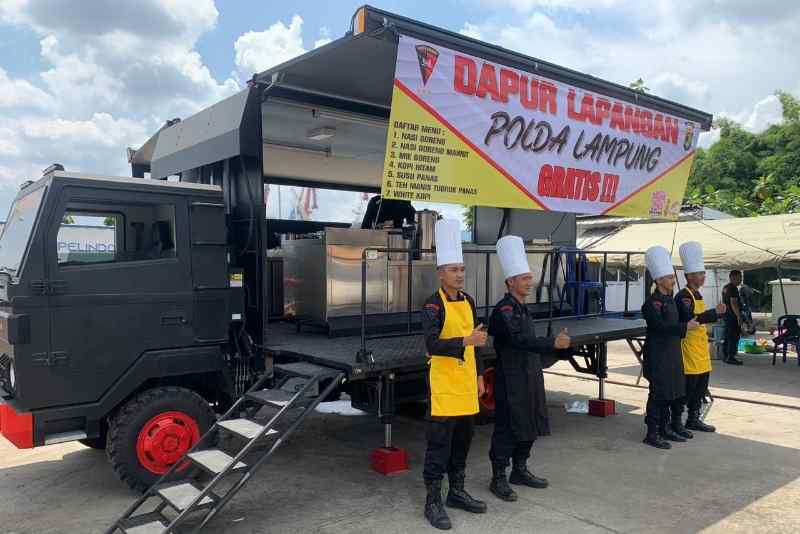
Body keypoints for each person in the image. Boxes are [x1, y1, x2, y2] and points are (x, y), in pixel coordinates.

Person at [487, 235, 571, 502]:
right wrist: (551, 343)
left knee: (531, 423)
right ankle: (498, 476)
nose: (529, 281)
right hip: (510, 378)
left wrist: (557, 346)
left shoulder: (523, 308)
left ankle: (520, 469)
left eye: (528, 277)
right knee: (507, 428)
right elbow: (517, 340)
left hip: (530, 375)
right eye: (524, 278)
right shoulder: (504, 310)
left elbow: (529, 342)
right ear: (511, 282)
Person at [420, 218, 487, 530]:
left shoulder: (469, 301)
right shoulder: (432, 305)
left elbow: (477, 342)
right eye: (453, 270)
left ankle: (457, 491)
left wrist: (479, 376)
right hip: (444, 384)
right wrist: (465, 341)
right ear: (440, 274)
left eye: (461, 269)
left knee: (464, 440)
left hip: (466, 381)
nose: (460, 274)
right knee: (439, 444)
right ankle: (432, 500)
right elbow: (432, 343)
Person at [641, 246, 701, 449]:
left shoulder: (671, 300)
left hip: (673, 353)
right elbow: (659, 327)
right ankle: (651, 432)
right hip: (658, 355)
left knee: (674, 392)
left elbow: (686, 320)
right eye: (668, 277)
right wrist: (685, 326)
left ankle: (666, 427)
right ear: (658, 280)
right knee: (658, 394)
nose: (672, 280)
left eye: (672, 277)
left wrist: (711, 315)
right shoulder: (652, 303)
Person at [674, 242, 725, 434]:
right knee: (687, 389)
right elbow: (689, 320)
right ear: (689, 276)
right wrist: (714, 313)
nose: (703, 277)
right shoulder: (684, 297)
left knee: (701, 386)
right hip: (688, 348)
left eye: (703, 273)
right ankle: (677, 421)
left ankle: (693, 419)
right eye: (700, 273)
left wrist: (714, 314)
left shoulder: (698, 294)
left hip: (701, 348)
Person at [722, 270, 744, 365]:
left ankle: (726, 355)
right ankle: (731, 356)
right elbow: (734, 303)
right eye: (740, 278)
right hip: (732, 315)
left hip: (727, 314)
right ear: (734, 278)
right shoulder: (733, 288)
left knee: (728, 335)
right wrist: (738, 316)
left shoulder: (725, 287)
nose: (741, 280)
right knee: (734, 336)